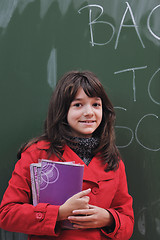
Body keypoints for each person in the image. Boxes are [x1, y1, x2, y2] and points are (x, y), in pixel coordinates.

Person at [0, 71, 134, 240]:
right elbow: (6, 214)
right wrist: (58, 213)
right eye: (78, 105)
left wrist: (108, 218)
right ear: (63, 111)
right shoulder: (37, 154)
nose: (89, 112)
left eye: (96, 105)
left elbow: (127, 222)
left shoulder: (112, 159)